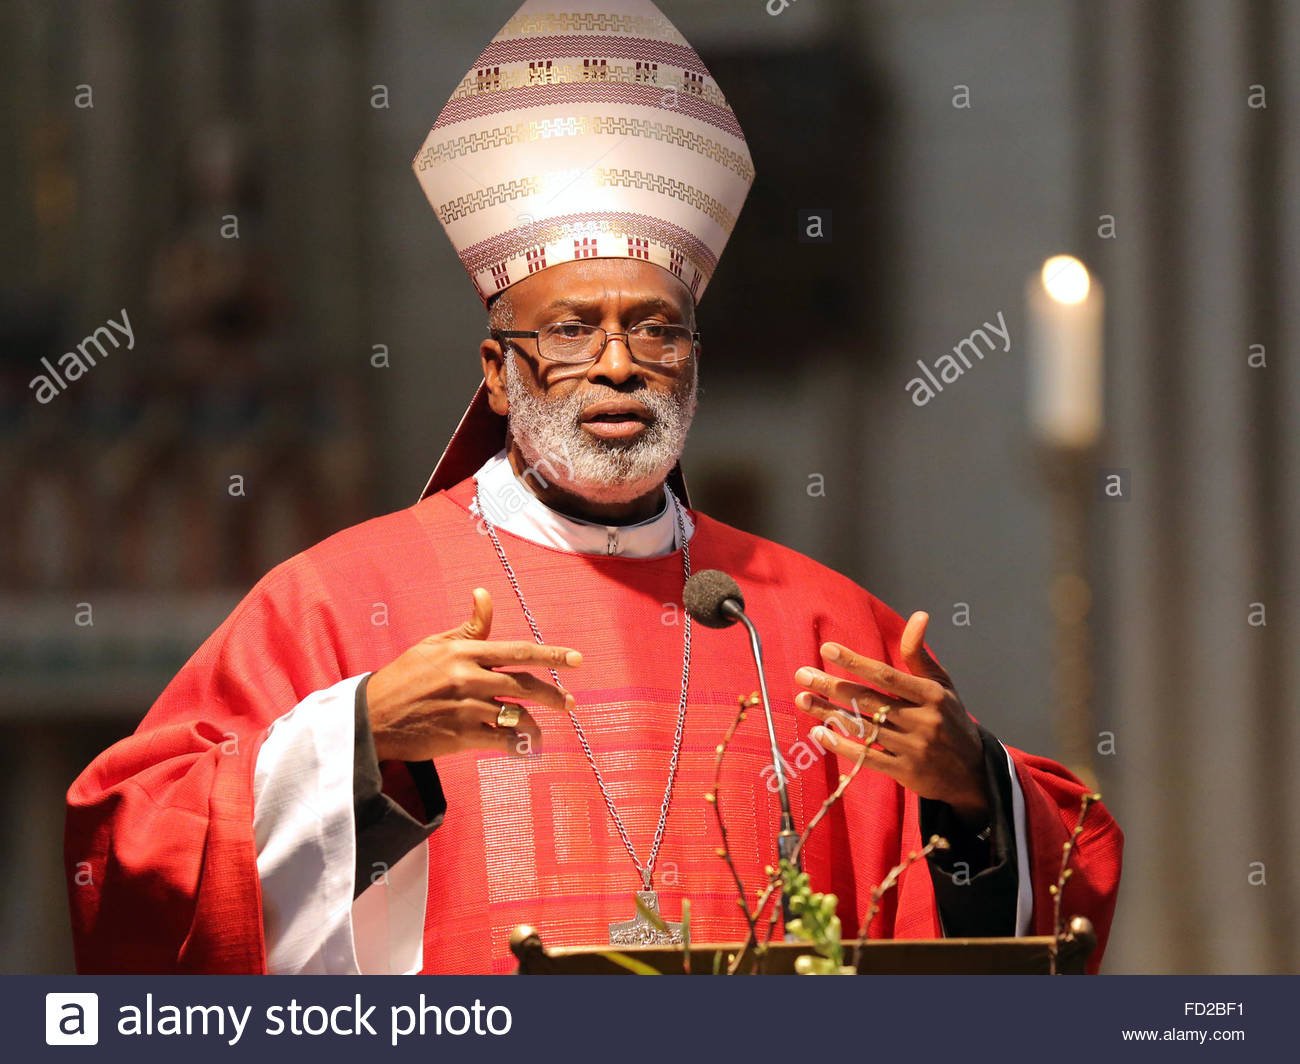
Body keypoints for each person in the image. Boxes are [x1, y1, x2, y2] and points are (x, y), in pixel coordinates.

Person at [65, 0, 1122, 975]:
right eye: (572, 330)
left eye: (656, 328)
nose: (619, 364)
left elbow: (1064, 879)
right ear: (496, 370)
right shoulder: (340, 606)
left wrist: (974, 793)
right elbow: (128, 851)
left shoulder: (819, 624)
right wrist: (358, 736)